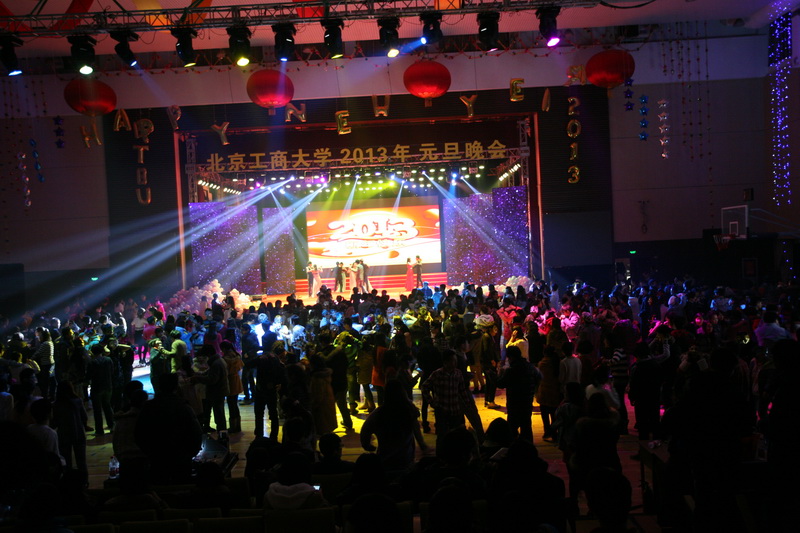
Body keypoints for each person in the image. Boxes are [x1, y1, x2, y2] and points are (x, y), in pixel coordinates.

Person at [135, 373, 203, 484]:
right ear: (176, 387)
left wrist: (149, 453)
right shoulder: (183, 406)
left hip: (156, 458)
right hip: (181, 458)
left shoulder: (148, 407)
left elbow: (139, 434)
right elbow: (196, 432)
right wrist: (190, 454)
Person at [360, 380, 428, 469]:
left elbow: (365, 430)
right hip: (406, 458)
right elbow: (417, 431)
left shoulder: (379, 413)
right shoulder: (409, 411)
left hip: (385, 458)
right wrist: (422, 445)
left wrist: (367, 445)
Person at [421, 349, 483, 447]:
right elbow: (424, 387)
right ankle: (441, 454)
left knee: (455, 436)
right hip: (442, 411)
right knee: (442, 436)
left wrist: (467, 404)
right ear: (445, 362)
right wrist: (431, 402)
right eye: (452, 361)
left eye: (455, 361)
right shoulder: (437, 374)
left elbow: (462, 391)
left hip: (455, 411)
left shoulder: (458, 373)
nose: (455, 363)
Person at [496, 345, 541, 442]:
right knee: (526, 427)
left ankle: (514, 447)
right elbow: (539, 377)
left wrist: (499, 374)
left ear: (511, 357)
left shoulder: (511, 370)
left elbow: (500, 384)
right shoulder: (530, 367)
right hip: (527, 401)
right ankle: (528, 448)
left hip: (514, 402)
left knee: (512, 428)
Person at [247, 340, 288, 439]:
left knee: (259, 414)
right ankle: (273, 436)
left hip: (260, 388)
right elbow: (282, 373)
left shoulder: (262, 357)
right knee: (273, 414)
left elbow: (249, 364)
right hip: (271, 389)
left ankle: (259, 436)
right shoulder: (276, 359)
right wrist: (279, 383)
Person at [51, 381, 88, 477]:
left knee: (66, 462)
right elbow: (84, 417)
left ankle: (68, 481)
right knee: (81, 462)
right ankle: (84, 480)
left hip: (63, 435)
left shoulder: (56, 405)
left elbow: (54, 423)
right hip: (79, 433)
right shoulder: (78, 401)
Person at [191, 344, 230, 432]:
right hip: (220, 390)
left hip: (217, 391)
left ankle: (222, 434)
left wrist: (198, 378)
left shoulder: (216, 363)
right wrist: (199, 376)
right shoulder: (219, 360)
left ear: (209, 354)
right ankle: (222, 433)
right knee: (220, 413)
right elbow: (209, 374)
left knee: (219, 415)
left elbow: (212, 379)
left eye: (205, 355)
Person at [86, 344, 114, 436]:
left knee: (97, 410)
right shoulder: (108, 360)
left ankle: (99, 430)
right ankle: (112, 426)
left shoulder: (92, 362)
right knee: (107, 406)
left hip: (96, 387)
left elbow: (88, 376)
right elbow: (112, 371)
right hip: (108, 386)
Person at [221, 340, 244, 433]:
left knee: (231, 404)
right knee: (234, 404)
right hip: (236, 380)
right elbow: (241, 366)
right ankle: (237, 426)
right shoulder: (236, 356)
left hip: (230, 381)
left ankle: (233, 427)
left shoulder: (225, 359)